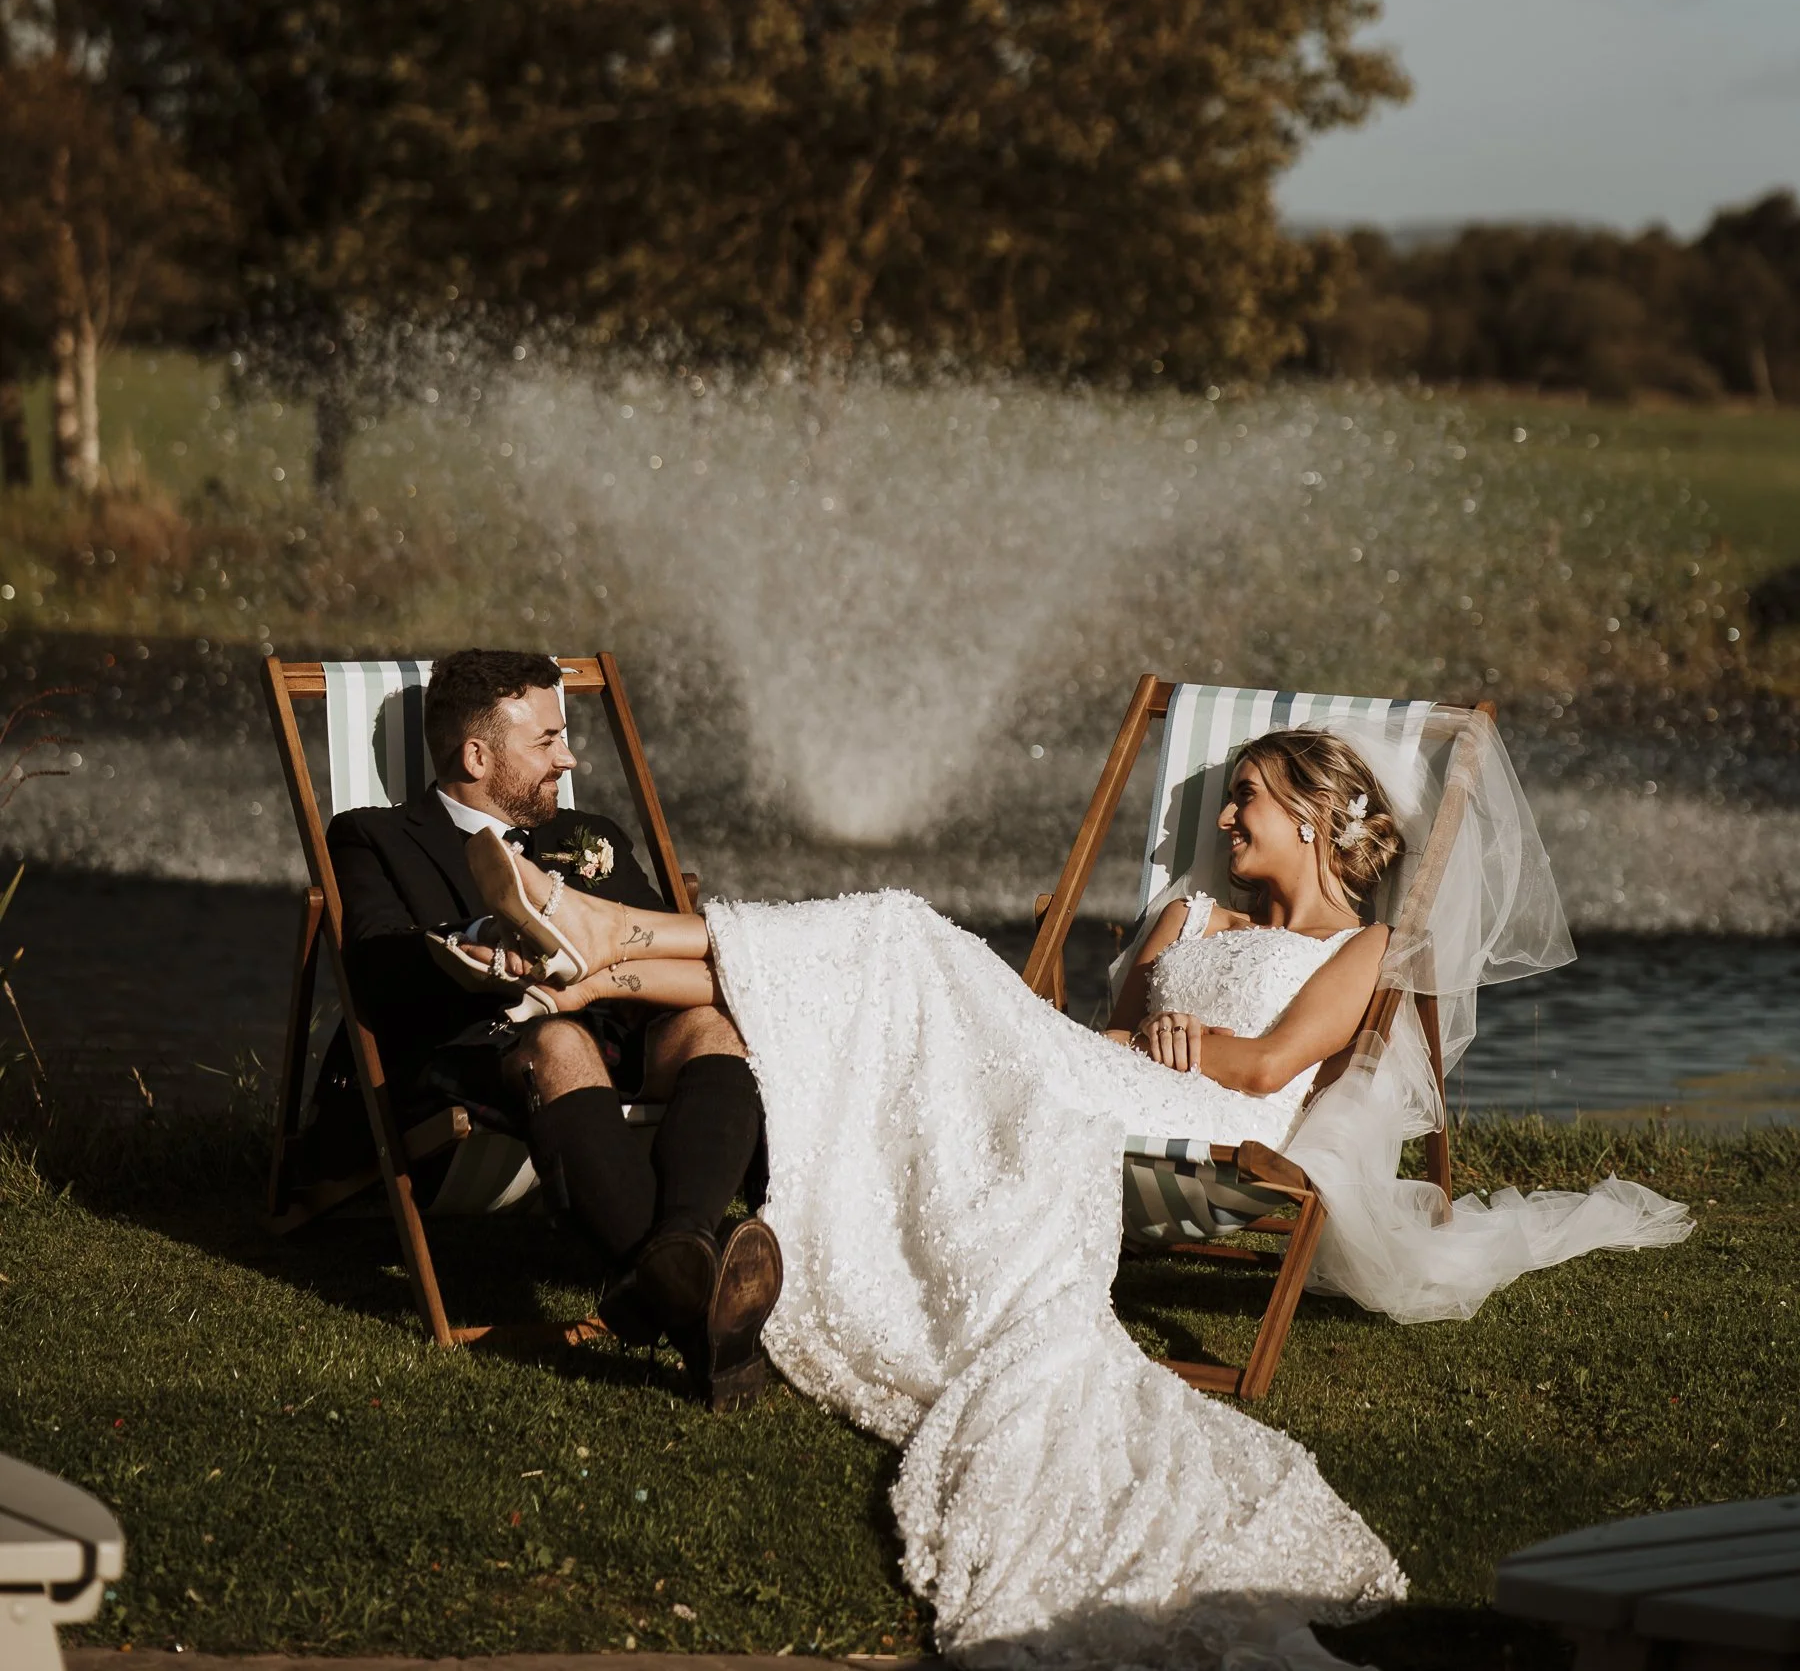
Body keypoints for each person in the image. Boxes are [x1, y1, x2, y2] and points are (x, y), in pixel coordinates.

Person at [459, 704, 1693, 1666]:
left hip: (1201, 1114)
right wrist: (1125, 1011)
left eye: (1248, 802)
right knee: (894, 955)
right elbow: (1083, 1029)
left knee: (898, 931)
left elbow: (1268, 1063)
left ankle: (610, 944)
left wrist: (1180, 1045)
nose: (1223, 824)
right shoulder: (1190, 918)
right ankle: (605, 947)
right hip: (1094, 1080)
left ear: (1316, 819)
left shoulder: (1363, 948)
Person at [313, 648, 780, 1409]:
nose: (569, 756)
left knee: (708, 1026)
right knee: (560, 1043)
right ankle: (703, 1322)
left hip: (617, 1034)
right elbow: (376, 962)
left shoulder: (589, 832)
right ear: (475, 755)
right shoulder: (377, 837)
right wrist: (478, 941)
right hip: (481, 1046)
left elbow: (648, 939)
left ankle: (674, 1254)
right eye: (547, 742)